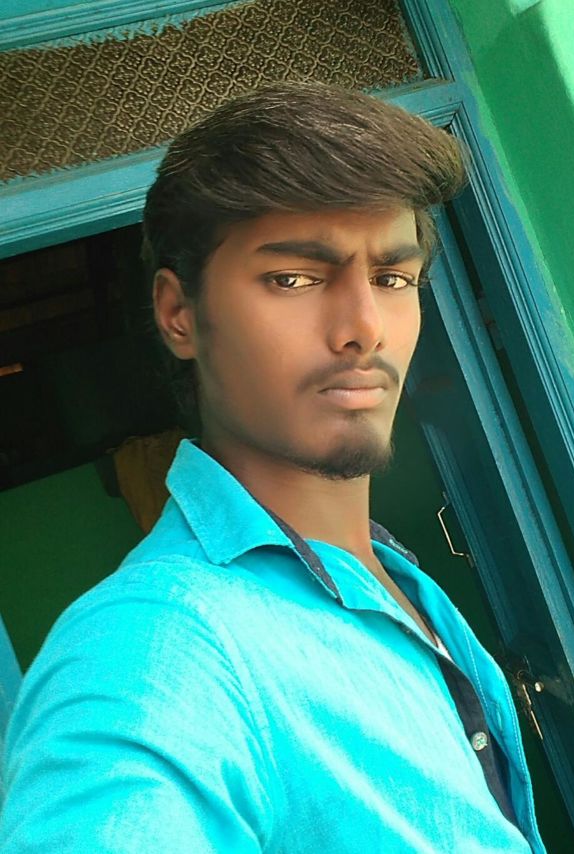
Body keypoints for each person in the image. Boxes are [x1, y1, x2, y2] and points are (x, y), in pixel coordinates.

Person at [0, 82, 545, 852]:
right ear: (179, 315)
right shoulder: (156, 642)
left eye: (392, 279)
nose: (364, 328)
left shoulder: (390, 573)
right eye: (294, 278)